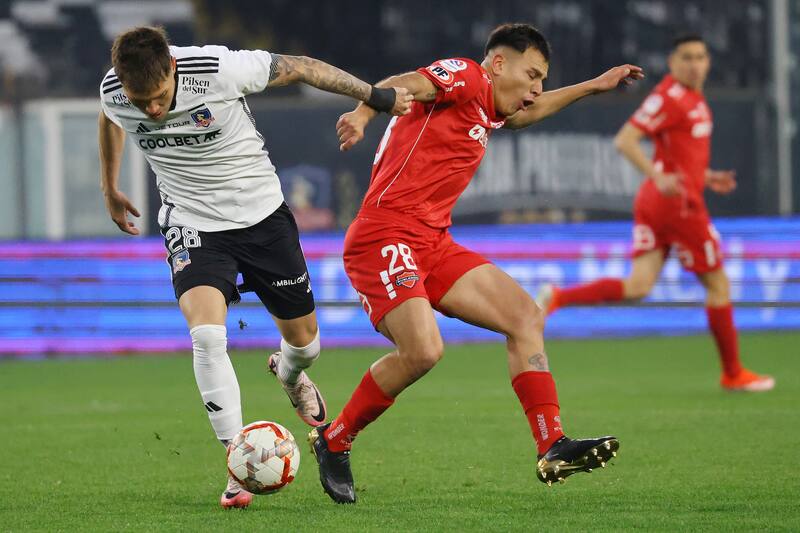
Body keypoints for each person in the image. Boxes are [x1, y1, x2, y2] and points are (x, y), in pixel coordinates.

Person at [307, 23, 645, 504]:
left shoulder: (488, 107)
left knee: (524, 316)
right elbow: (411, 81)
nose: (536, 89)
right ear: (499, 63)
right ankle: (334, 438)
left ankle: (551, 444)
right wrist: (365, 110)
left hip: (433, 241)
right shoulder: (466, 75)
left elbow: (528, 114)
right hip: (384, 233)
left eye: (542, 80)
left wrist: (594, 84)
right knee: (423, 352)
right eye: (532, 75)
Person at [97, 26, 412, 509]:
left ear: (174, 70)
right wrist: (110, 186)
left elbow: (304, 66)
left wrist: (377, 96)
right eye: (142, 103)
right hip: (192, 223)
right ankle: (236, 463)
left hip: (262, 216)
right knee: (206, 336)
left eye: (159, 98)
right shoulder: (117, 91)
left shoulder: (219, 69)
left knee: (306, 344)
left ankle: (289, 375)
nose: (153, 111)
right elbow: (110, 116)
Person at [535, 34, 774, 393]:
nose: (695, 64)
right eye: (687, 57)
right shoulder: (670, 97)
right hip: (677, 205)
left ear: (708, 62)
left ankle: (557, 297)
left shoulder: (690, 98)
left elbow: (679, 152)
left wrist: (705, 176)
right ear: (673, 62)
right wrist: (657, 175)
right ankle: (733, 372)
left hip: (662, 201)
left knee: (638, 286)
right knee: (718, 284)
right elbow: (626, 139)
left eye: (701, 57)